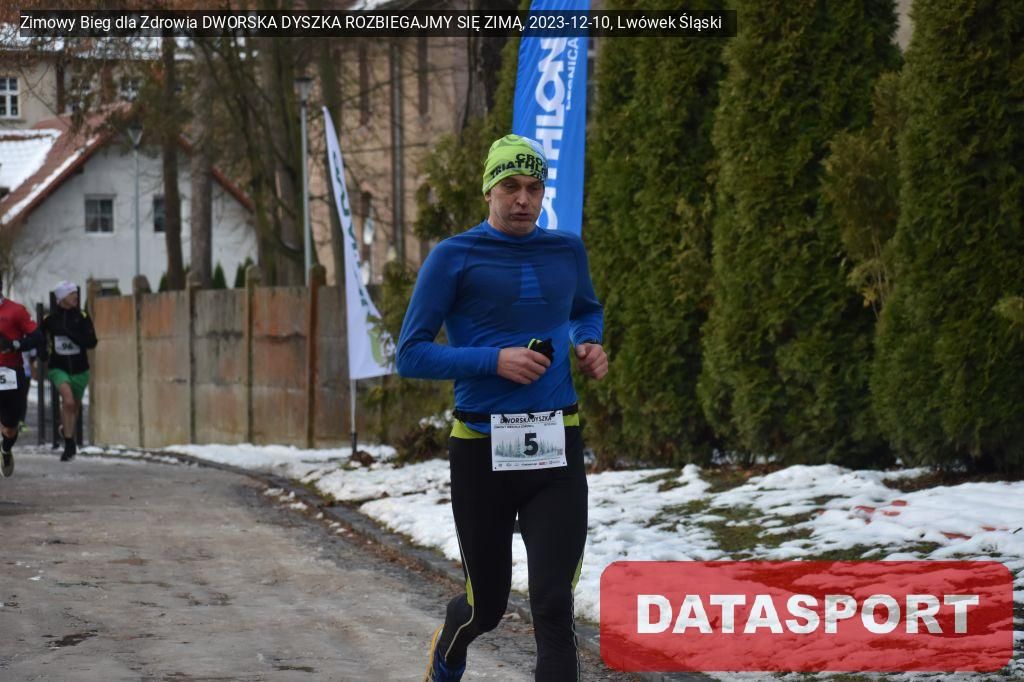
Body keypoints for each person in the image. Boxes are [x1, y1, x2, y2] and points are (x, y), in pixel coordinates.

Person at [397, 134, 608, 682]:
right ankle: (448, 652)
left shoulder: (566, 250)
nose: (523, 199)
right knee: (485, 606)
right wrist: (494, 361)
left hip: (556, 443)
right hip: (482, 449)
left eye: (534, 188)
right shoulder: (453, 256)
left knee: (554, 604)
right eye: (510, 186)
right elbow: (410, 354)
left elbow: (586, 309)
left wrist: (588, 342)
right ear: (488, 190)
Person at [41, 280, 97, 461]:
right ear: (62, 297)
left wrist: (71, 335)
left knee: (74, 407)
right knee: (68, 401)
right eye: (71, 293)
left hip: (80, 370)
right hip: (58, 368)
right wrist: (42, 353)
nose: (76, 296)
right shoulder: (50, 320)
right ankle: (69, 444)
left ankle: (66, 431)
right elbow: (39, 338)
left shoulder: (82, 317)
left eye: (76, 293)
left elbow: (92, 342)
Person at [0, 276, 45, 478]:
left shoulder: (16, 311)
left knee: (10, 428)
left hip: (10, 372)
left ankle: (5, 449)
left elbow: (37, 337)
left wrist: (15, 345)